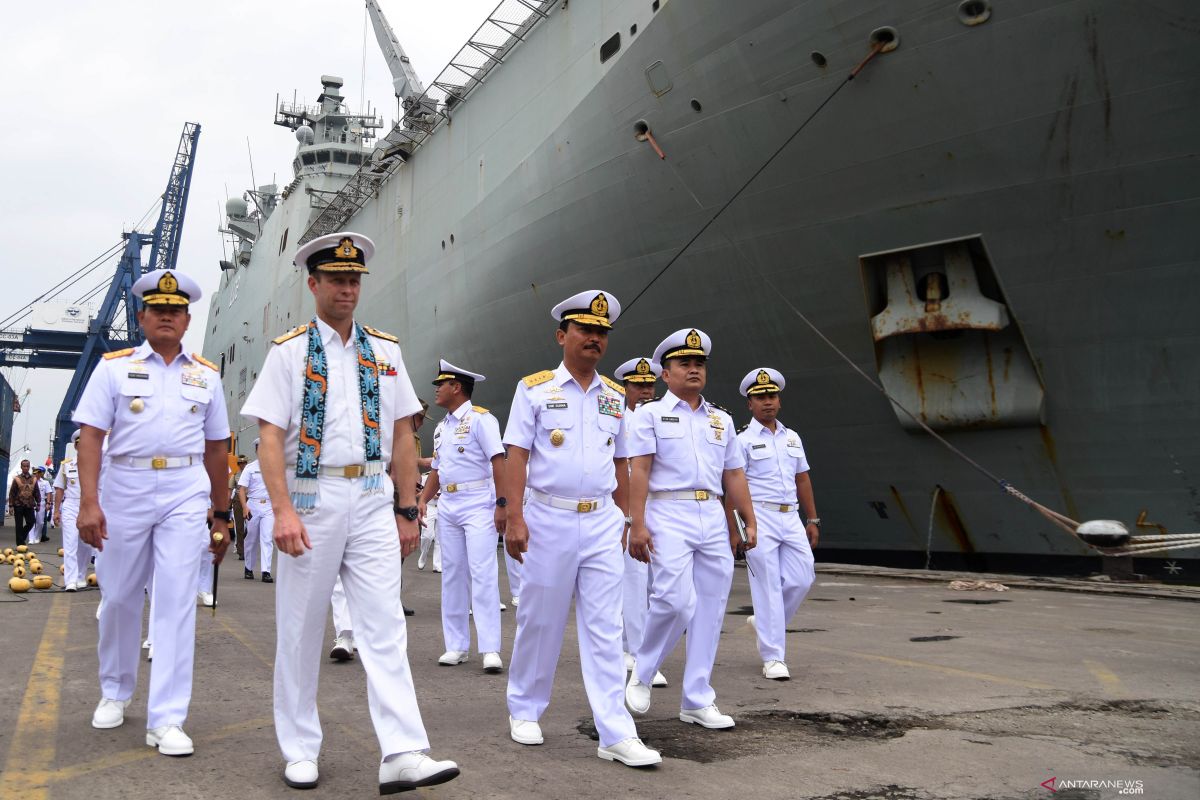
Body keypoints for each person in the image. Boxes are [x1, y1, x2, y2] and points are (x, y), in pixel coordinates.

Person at [241, 231, 458, 792]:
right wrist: (282, 510)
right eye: (335, 278)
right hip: (310, 498)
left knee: (384, 625)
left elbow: (404, 435)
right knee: (300, 627)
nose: (346, 288)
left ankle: (403, 751)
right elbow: (269, 437)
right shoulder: (289, 352)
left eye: (354, 278)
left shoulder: (385, 352)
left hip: (369, 499)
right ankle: (299, 746)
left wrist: (408, 509)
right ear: (312, 284)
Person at [73, 268, 232, 757]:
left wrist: (222, 515)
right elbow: (92, 437)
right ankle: (115, 691)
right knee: (119, 596)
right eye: (158, 310)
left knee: (177, 599)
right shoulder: (113, 368)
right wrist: (89, 500)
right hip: (125, 485)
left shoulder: (206, 375)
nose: (167, 317)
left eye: (176, 311)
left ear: (187, 320)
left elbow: (217, 447)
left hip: (185, 488)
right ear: (142, 317)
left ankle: (167, 718)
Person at [502, 290, 661, 768]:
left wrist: (632, 520)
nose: (594, 339)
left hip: (601, 520)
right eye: (585, 330)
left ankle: (614, 730)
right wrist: (513, 516)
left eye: (601, 333)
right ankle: (525, 709)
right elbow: (516, 455)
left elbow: (624, 465)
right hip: (548, 516)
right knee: (540, 617)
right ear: (562, 335)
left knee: (605, 628)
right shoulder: (533, 389)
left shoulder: (616, 397)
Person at [624, 328, 758, 730]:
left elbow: (734, 473)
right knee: (674, 600)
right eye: (684, 363)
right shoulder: (649, 415)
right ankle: (643, 671)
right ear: (666, 374)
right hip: (667, 511)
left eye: (699, 363)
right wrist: (637, 523)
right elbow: (639, 471)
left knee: (711, 608)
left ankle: (697, 698)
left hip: (711, 514)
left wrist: (748, 519)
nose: (694, 369)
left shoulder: (721, 419)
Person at [418, 360, 505, 673]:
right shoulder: (442, 427)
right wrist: (422, 500)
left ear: (456, 387)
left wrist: (502, 503)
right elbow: (437, 470)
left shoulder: (482, 421)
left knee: (482, 573)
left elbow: (498, 461)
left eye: (441, 384)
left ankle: (490, 648)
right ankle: (456, 645)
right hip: (449, 504)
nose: (437, 389)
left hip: (479, 502)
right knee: (453, 574)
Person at [733, 368, 818, 681]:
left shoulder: (792, 437)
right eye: (760, 397)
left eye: (772, 396)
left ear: (779, 400)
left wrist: (812, 518)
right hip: (760, 516)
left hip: (790, 515)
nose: (767, 402)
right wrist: (740, 526)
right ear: (750, 404)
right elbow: (734, 483)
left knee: (802, 578)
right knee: (767, 586)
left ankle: (765, 622)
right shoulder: (742, 441)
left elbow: (803, 478)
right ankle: (773, 658)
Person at [611, 357, 667, 688]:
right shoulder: (618, 417)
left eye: (649, 385)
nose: (645, 390)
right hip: (626, 508)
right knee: (632, 580)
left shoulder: (662, 417)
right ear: (626, 388)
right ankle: (638, 651)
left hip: (658, 506)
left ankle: (630, 646)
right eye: (638, 385)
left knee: (656, 584)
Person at [54, 430, 93, 591]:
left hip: (88, 506)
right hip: (70, 505)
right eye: (79, 444)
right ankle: (70, 580)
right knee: (70, 543)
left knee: (85, 543)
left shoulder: (95, 464)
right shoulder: (66, 465)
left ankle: (80, 575)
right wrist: (56, 511)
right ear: (76, 446)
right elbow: (59, 488)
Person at [237, 438, 275, 582]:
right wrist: (245, 507)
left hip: (269, 506)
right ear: (257, 450)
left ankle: (266, 571)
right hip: (253, 505)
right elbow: (241, 490)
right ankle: (248, 568)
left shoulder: (275, 466)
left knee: (267, 538)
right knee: (251, 538)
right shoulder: (250, 468)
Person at [8, 459, 39, 547]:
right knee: (19, 525)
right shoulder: (17, 478)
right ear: (21, 467)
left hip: (29, 504)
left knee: (31, 522)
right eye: (24, 466)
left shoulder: (33, 478)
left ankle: (21, 537)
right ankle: (20, 544)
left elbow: (36, 492)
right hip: (18, 505)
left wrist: (39, 503)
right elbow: (12, 493)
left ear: (29, 467)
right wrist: (11, 505)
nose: (25, 468)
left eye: (27, 466)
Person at [34, 467, 53, 542]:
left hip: (42, 502)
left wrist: (49, 503)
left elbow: (49, 493)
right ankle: (34, 536)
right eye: (37, 472)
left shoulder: (46, 481)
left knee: (42, 521)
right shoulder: (32, 481)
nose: (39, 473)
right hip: (33, 503)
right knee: (32, 520)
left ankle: (43, 535)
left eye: (41, 472)